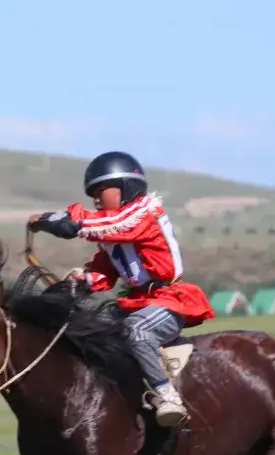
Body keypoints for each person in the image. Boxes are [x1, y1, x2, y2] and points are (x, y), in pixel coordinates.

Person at [27, 151, 215, 427]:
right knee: (89, 334)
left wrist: (61, 220)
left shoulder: (143, 213)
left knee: (137, 330)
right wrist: (82, 280)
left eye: (101, 189)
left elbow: (105, 226)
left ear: (126, 187)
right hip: (136, 301)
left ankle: (168, 396)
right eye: (93, 193)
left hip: (168, 300)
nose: (95, 197)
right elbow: (105, 271)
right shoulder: (112, 233)